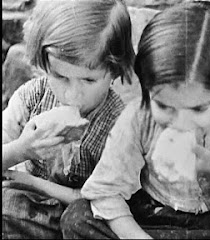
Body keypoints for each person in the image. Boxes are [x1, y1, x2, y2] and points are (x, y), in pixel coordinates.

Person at [60, 1, 210, 239]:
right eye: (164, 106)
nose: (181, 123)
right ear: (148, 89)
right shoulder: (138, 118)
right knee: (78, 217)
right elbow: (105, 190)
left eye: (199, 109)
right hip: (158, 217)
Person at [2, 0, 135, 239]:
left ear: (115, 71)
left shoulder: (119, 125)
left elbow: (101, 199)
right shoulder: (31, 97)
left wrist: (29, 181)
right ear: (43, 65)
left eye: (89, 80)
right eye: (60, 77)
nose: (72, 94)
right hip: (27, 206)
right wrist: (20, 150)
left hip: (81, 214)